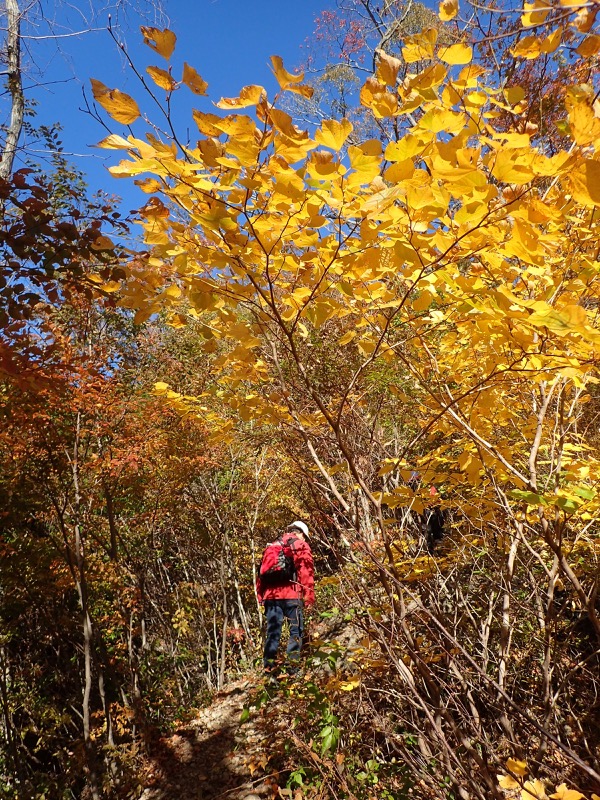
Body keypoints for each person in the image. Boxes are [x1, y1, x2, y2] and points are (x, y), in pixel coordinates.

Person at [256, 520, 315, 677]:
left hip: (271, 598)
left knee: (273, 633)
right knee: (296, 630)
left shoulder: (271, 546)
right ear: (301, 534)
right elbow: (306, 572)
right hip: (291, 596)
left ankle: (269, 672)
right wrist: (309, 596)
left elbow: (261, 575)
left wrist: (261, 597)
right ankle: (292, 669)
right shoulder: (300, 545)